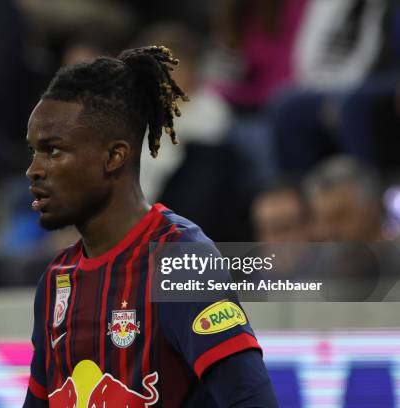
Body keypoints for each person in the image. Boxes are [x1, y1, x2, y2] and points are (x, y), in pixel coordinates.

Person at [23, 46, 277, 407]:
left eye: (53, 150)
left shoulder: (180, 261)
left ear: (114, 156)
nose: (34, 169)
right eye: (34, 150)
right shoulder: (56, 280)